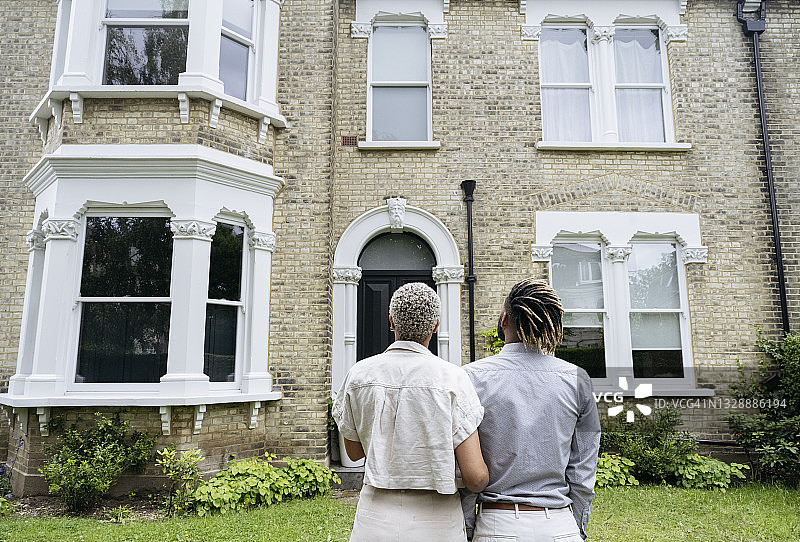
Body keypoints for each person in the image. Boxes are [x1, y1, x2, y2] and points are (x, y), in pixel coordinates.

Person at [333, 282, 489, 542]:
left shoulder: (359, 374)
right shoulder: (453, 379)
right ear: (436, 326)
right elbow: (475, 477)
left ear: (391, 321)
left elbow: (355, 452)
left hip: (375, 515)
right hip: (438, 519)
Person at [462, 278, 600, 542]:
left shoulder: (471, 378)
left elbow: (465, 472)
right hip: (560, 526)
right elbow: (583, 472)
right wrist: (576, 530)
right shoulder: (578, 379)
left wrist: (468, 530)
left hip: (497, 524)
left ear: (503, 320)